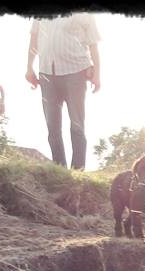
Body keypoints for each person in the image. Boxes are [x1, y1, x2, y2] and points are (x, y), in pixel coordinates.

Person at [25, 13, 101, 170]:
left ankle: (78, 169)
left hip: (76, 71)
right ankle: (59, 169)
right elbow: (34, 39)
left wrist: (97, 74)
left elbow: (93, 44)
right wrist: (29, 67)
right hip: (47, 73)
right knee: (52, 126)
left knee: (77, 124)